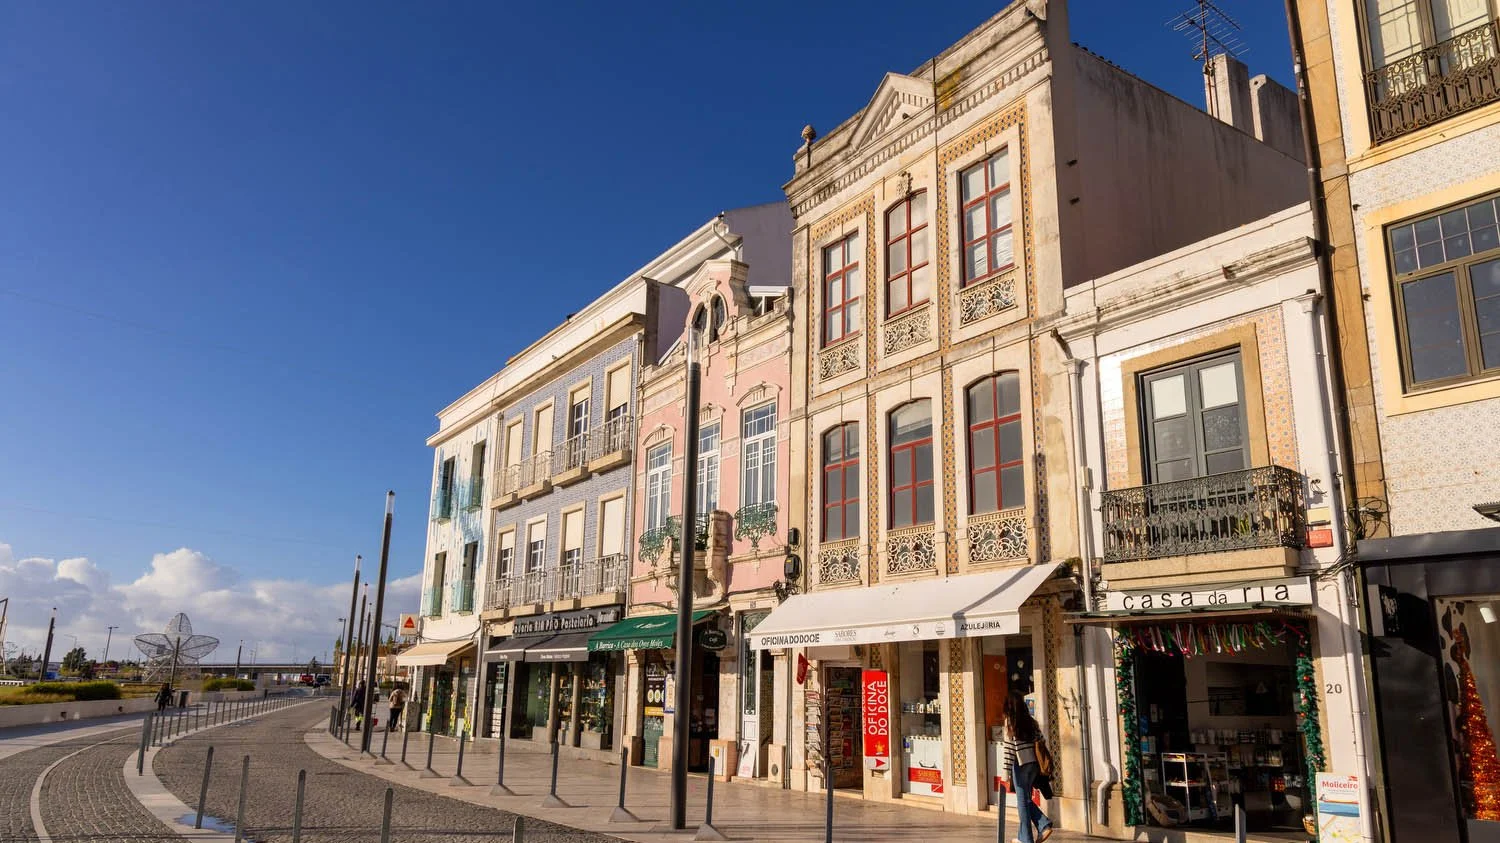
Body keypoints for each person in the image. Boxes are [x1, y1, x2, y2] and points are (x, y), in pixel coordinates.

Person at [1002, 694, 1053, 843]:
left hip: (1021, 764)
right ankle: (1023, 836)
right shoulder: (1031, 722)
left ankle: (1032, 834)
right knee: (1025, 800)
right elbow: (1042, 740)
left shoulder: (1010, 723)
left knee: (1022, 802)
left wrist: (1005, 776)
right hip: (1034, 765)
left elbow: (1009, 750)